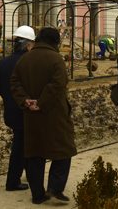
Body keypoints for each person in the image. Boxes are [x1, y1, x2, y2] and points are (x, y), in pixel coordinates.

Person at [10, 27, 77, 205]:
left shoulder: (25, 59)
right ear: (55, 42)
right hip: (54, 114)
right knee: (64, 150)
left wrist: (26, 101)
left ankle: (37, 194)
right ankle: (55, 188)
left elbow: (14, 82)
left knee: (34, 153)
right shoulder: (56, 59)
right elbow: (58, 84)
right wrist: (41, 102)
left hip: (31, 116)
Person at [0, 25, 36, 192]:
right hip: (25, 111)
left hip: (10, 112)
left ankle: (22, 176)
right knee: (21, 147)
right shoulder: (29, 62)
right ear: (28, 45)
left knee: (21, 144)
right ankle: (14, 181)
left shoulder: (4, 63)